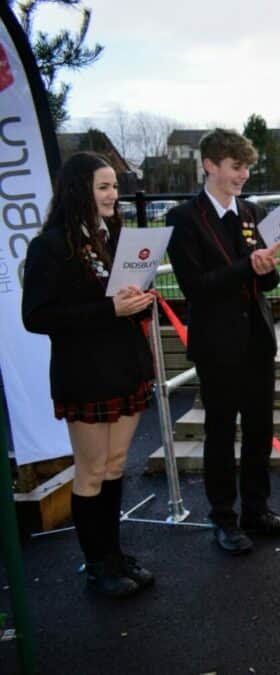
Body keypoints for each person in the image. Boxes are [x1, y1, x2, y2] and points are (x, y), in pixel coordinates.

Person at [22, 152, 156, 597]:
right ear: (79, 190)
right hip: (85, 373)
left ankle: (114, 553)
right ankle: (96, 563)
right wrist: (109, 309)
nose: (113, 194)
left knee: (116, 465)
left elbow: (122, 293)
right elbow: (37, 317)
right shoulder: (49, 245)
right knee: (92, 471)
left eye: (114, 186)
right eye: (104, 186)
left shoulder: (116, 235)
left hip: (125, 365)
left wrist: (137, 300)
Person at [166, 129, 280, 555]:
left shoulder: (252, 213)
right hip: (217, 344)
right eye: (236, 167)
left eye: (246, 168)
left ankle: (257, 512)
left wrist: (265, 267)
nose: (243, 175)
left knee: (260, 430)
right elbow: (197, 286)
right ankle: (223, 518)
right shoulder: (184, 219)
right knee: (221, 433)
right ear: (210, 165)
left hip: (258, 339)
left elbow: (270, 281)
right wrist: (249, 266)